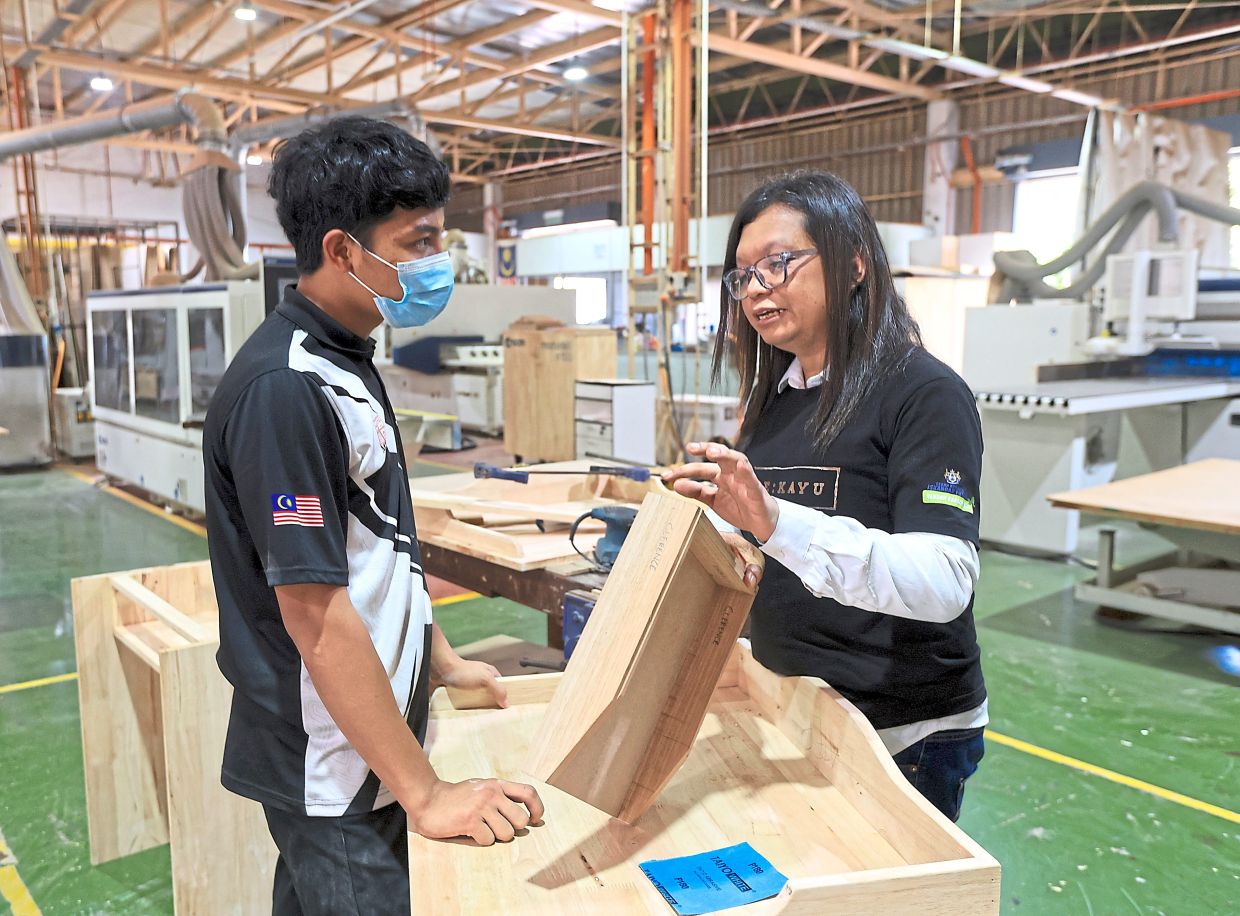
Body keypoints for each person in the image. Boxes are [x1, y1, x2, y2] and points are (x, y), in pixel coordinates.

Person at [203, 117, 543, 916]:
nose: (438, 263)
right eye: (418, 241)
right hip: (338, 765)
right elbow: (315, 614)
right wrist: (424, 793)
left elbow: (378, 553)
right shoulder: (286, 390)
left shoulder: (343, 356)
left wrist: (442, 661)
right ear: (342, 250)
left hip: (365, 742)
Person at [663, 170, 987, 822]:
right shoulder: (774, 401)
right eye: (742, 274)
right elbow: (775, 545)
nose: (757, 288)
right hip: (797, 704)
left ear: (855, 263)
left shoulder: (922, 394)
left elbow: (946, 581)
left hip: (899, 729)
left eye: (779, 263)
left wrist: (777, 521)